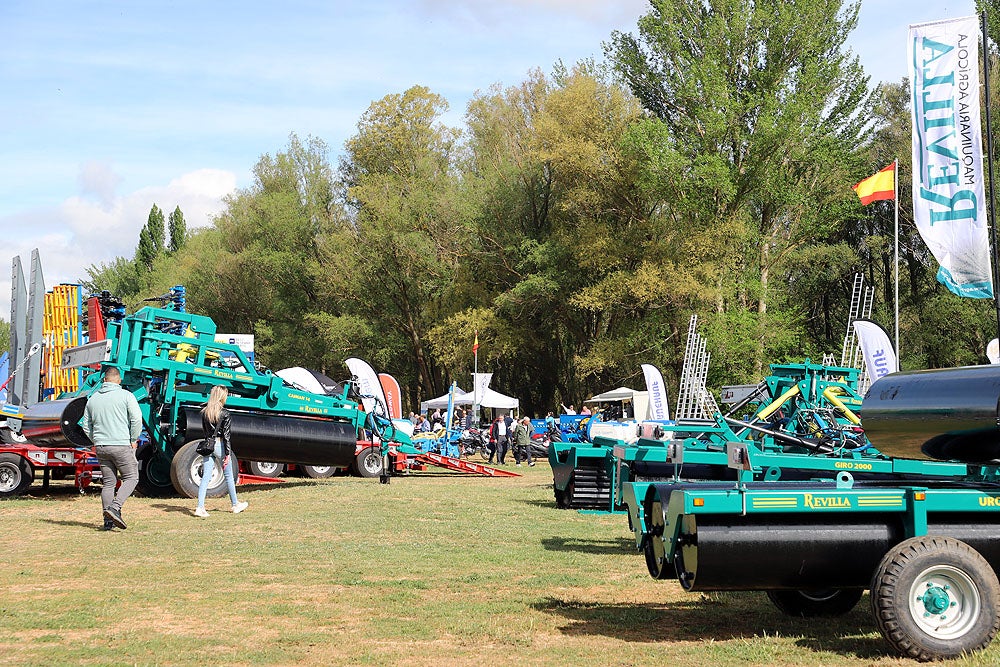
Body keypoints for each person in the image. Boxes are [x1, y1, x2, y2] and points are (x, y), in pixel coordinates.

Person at [82, 366, 143, 531]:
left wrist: (96, 439)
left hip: (101, 446)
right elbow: (137, 419)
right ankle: (115, 508)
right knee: (131, 478)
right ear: (119, 380)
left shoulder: (93, 399)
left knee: (108, 483)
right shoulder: (126, 396)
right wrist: (133, 438)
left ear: (104, 380)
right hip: (121, 444)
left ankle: (108, 522)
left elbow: (86, 426)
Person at [194, 385, 249, 517]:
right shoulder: (225, 413)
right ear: (222, 396)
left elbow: (205, 431)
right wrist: (228, 454)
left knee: (205, 477)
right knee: (229, 476)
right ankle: (235, 504)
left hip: (209, 446)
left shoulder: (205, 412)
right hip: (220, 445)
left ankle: (200, 507)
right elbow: (227, 436)